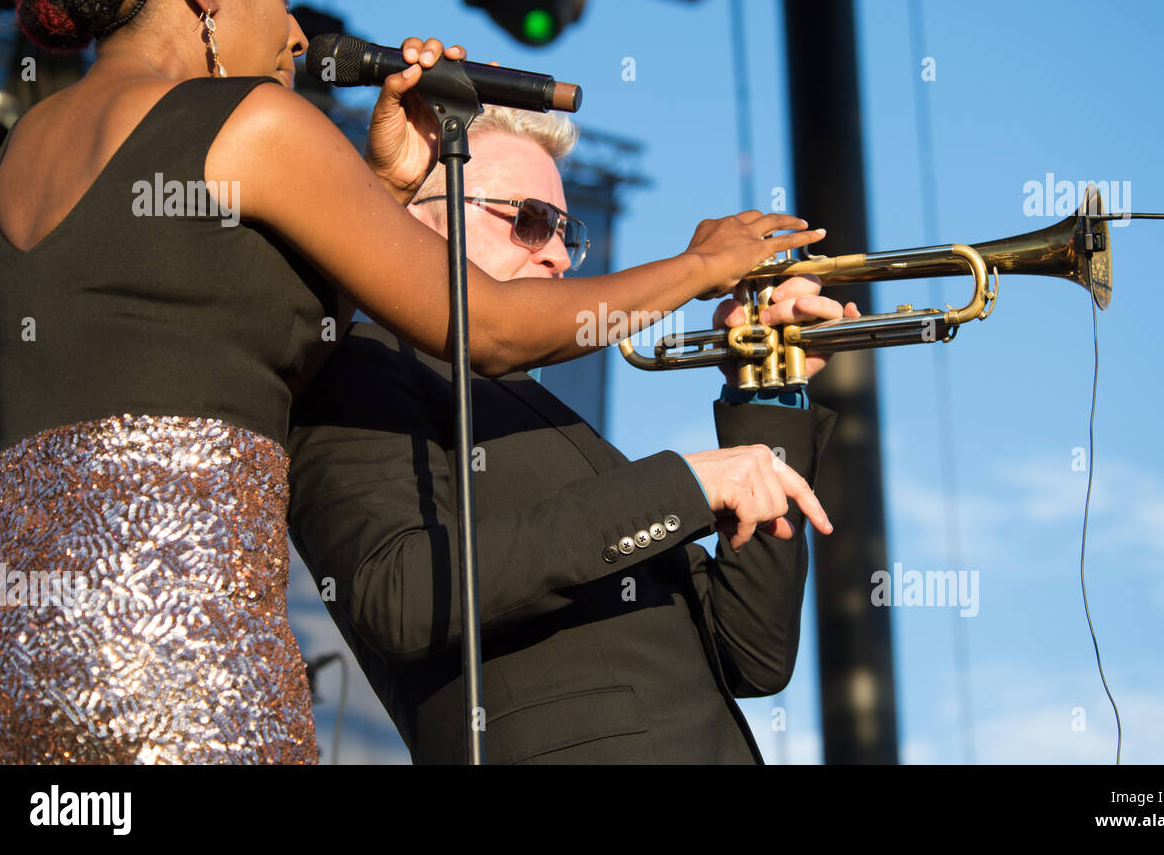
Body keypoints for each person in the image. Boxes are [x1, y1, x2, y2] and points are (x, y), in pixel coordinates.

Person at [0, 0, 826, 764]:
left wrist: (380, 189)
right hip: (185, 643)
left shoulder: (23, 159)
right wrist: (699, 267)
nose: (301, 35)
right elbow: (490, 330)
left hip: (30, 648)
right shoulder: (256, 124)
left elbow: (246, 327)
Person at [287, 106, 859, 763]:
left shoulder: (555, 426)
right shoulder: (359, 361)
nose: (558, 253)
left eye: (566, 231)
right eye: (529, 220)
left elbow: (754, 652)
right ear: (421, 219)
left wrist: (764, 389)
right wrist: (684, 482)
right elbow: (399, 593)